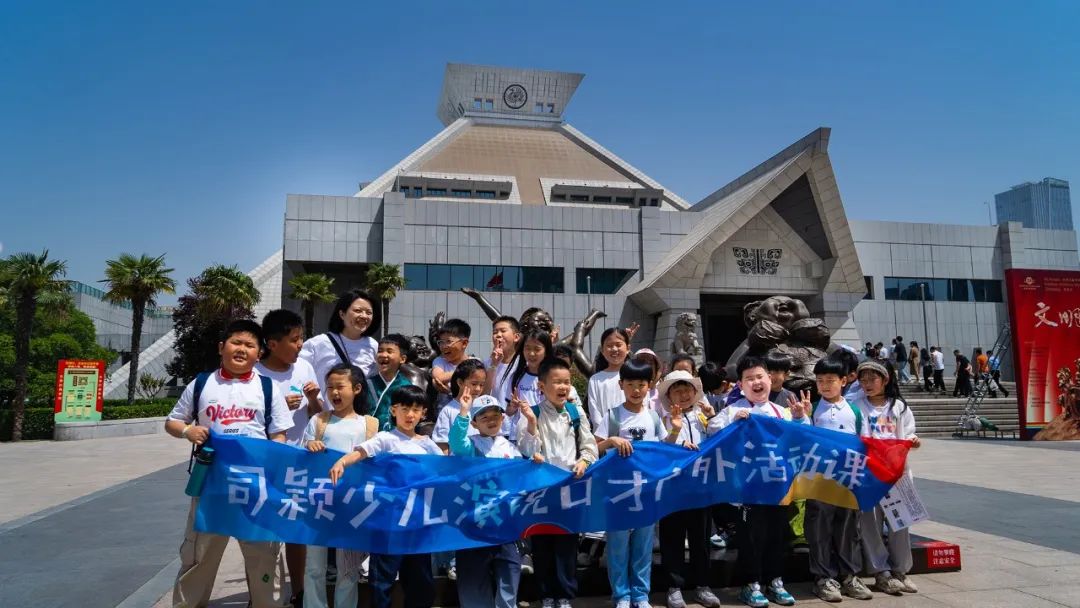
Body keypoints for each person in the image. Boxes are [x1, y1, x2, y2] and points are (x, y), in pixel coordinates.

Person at [165, 319, 294, 608]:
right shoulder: (201, 383)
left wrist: (273, 466)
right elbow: (172, 422)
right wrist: (188, 431)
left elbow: (279, 435)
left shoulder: (268, 388)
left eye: (250, 345)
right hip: (211, 486)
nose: (242, 350)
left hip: (256, 489)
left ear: (259, 354)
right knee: (199, 557)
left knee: (264, 558)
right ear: (221, 347)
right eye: (236, 343)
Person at [708, 356, 808, 608]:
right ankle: (750, 584)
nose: (756, 382)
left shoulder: (781, 411)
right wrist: (732, 421)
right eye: (749, 378)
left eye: (760, 376)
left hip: (777, 486)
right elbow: (712, 430)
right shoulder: (733, 410)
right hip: (747, 490)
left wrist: (798, 418)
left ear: (770, 379)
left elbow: (802, 437)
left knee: (776, 535)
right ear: (740, 385)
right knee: (751, 537)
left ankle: (775, 581)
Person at [328, 385, 441, 608]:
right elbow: (361, 452)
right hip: (388, 522)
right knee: (382, 581)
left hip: (418, 524)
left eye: (416, 410)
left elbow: (448, 468)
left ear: (423, 414)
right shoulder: (386, 439)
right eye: (405, 408)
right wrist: (342, 461)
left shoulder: (428, 444)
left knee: (421, 581)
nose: (410, 415)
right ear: (393, 410)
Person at [593, 359, 679, 608]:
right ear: (621, 385)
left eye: (641, 384)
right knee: (618, 546)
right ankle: (621, 595)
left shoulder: (653, 417)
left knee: (643, 546)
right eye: (630, 384)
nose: (636, 389)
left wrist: (674, 431)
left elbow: (664, 450)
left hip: (646, 491)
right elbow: (593, 448)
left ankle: (641, 595)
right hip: (618, 492)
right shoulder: (613, 416)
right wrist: (611, 441)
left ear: (650, 386)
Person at [516, 358, 598, 608]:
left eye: (566, 382)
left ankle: (564, 596)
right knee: (542, 546)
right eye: (557, 382)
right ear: (542, 386)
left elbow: (589, 446)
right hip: (542, 493)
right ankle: (546, 595)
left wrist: (585, 461)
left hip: (570, 491)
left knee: (566, 546)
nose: (563, 387)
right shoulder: (533, 413)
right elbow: (525, 448)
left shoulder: (575, 412)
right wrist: (531, 428)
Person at [254, 309, 323, 605]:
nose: (300, 345)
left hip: (299, 463)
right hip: (265, 464)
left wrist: (312, 399)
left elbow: (318, 415)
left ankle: (298, 591)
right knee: (265, 536)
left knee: (298, 532)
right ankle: (263, 594)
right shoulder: (255, 374)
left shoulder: (305, 367)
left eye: (301, 339)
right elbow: (250, 417)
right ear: (272, 343)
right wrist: (278, 404)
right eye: (294, 340)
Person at [449, 387, 541, 608]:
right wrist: (463, 411)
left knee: (509, 579)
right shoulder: (471, 445)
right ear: (474, 422)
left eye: (496, 416)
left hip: (505, 526)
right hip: (475, 526)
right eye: (484, 417)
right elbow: (456, 444)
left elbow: (528, 456)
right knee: (473, 584)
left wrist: (531, 423)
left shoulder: (509, 446)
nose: (491, 421)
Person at [302, 364, 379, 608]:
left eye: (340, 387)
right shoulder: (318, 421)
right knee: (315, 564)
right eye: (330, 388)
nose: (334, 393)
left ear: (357, 389)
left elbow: (376, 459)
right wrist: (309, 445)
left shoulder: (370, 425)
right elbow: (300, 454)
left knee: (348, 567)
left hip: (352, 503)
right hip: (320, 502)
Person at [803, 357, 873, 602]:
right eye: (820, 380)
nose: (824, 385)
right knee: (819, 528)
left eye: (830, 380)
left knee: (847, 528)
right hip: (820, 480)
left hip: (847, 479)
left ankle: (849, 576)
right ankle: (823, 578)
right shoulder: (811, 408)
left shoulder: (854, 411)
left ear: (844, 381)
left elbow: (865, 443)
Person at [653, 369, 721, 608]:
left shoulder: (705, 415)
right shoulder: (662, 417)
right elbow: (661, 448)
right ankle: (674, 587)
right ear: (669, 395)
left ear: (695, 392)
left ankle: (702, 585)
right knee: (672, 538)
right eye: (677, 390)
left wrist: (713, 418)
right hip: (673, 489)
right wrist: (676, 436)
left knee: (700, 539)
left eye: (687, 390)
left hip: (701, 488)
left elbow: (720, 441)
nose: (683, 395)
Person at [853, 360, 922, 595]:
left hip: (896, 476)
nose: (867, 384)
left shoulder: (899, 408)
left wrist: (913, 442)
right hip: (869, 476)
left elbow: (909, 435)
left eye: (872, 379)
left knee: (900, 523)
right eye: (863, 379)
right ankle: (880, 572)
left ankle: (901, 570)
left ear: (886, 380)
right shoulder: (856, 406)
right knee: (870, 523)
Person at [300, 288, 381, 388]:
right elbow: (298, 373)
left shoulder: (373, 345)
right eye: (358, 311)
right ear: (342, 314)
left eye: (369, 313)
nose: (364, 316)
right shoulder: (318, 344)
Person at [432, 358, 486, 452]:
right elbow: (442, 445)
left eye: (481, 385)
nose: (478, 389)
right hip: (458, 464)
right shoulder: (448, 410)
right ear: (460, 382)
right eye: (474, 384)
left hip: (481, 463)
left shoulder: (484, 408)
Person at [367, 333, 414, 432]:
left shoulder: (406, 386)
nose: (383, 355)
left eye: (389, 351)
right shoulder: (367, 384)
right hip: (369, 437)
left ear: (402, 359)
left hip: (396, 438)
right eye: (380, 351)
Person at [587, 328, 632, 428]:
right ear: (602, 351)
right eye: (609, 346)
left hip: (633, 434)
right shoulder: (595, 379)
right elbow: (594, 412)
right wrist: (606, 433)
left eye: (618, 345)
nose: (614, 349)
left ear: (628, 348)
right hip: (605, 438)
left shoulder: (635, 375)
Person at [431, 318, 473, 409]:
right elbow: (438, 378)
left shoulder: (475, 362)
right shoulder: (440, 361)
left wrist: (450, 391)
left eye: (448, 342)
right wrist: (464, 372)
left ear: (464, 343)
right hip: (445, 411)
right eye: (441, 342)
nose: (443, 346)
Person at [485, 315, 523, 407]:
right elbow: (484, 394)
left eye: (503, 331)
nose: (498, 335)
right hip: (494, 418)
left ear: (516, 337)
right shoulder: (486, 363)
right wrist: (493, 365)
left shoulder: (524, 363)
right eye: (495, 332)